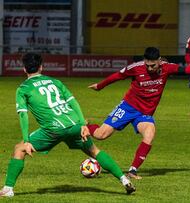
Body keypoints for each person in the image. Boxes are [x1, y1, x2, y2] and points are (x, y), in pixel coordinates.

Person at [0, 53, 135, 197]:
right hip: (74, 125)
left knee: (19, 149)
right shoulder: (55, 81)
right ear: (41, 67)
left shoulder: (23, 88)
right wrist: (83, 124)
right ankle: (124, 179)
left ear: (24, 69)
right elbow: (73, 102)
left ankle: (8, 189)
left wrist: (27, 141)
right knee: (95, 151)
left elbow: (23, 115)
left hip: (53, 130)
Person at [83, 47, 190, 180]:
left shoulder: (167, 67)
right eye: (147, 65)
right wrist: (100, 86)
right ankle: (85, 127)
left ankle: (132, 170)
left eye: (153, 65)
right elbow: (118, 76)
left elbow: (188, 69)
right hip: (128, 107)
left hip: (144, 113)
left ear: (159, 61)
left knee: (149, 134)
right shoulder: (136, 68)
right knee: (101, 135)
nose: (149, 68)